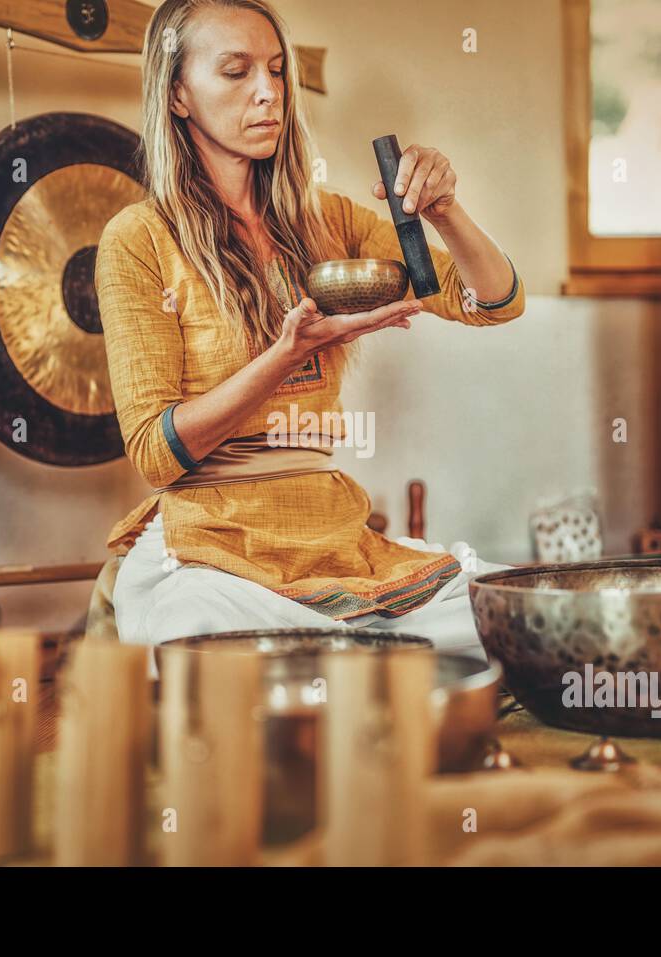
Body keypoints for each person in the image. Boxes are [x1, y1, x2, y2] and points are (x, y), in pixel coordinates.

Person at [91, 0, 525, 670]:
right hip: (211, 549)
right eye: (235, 72)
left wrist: (444, 211)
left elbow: (494, 301)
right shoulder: (140, 239)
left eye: (275, 70)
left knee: (511, 615)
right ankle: (366, 670)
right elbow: (156, 452)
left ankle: (356, 664)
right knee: (200, 644)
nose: (269, 92)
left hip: (332, 538)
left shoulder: (329, 221)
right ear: (178, 94)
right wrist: (288, 351)